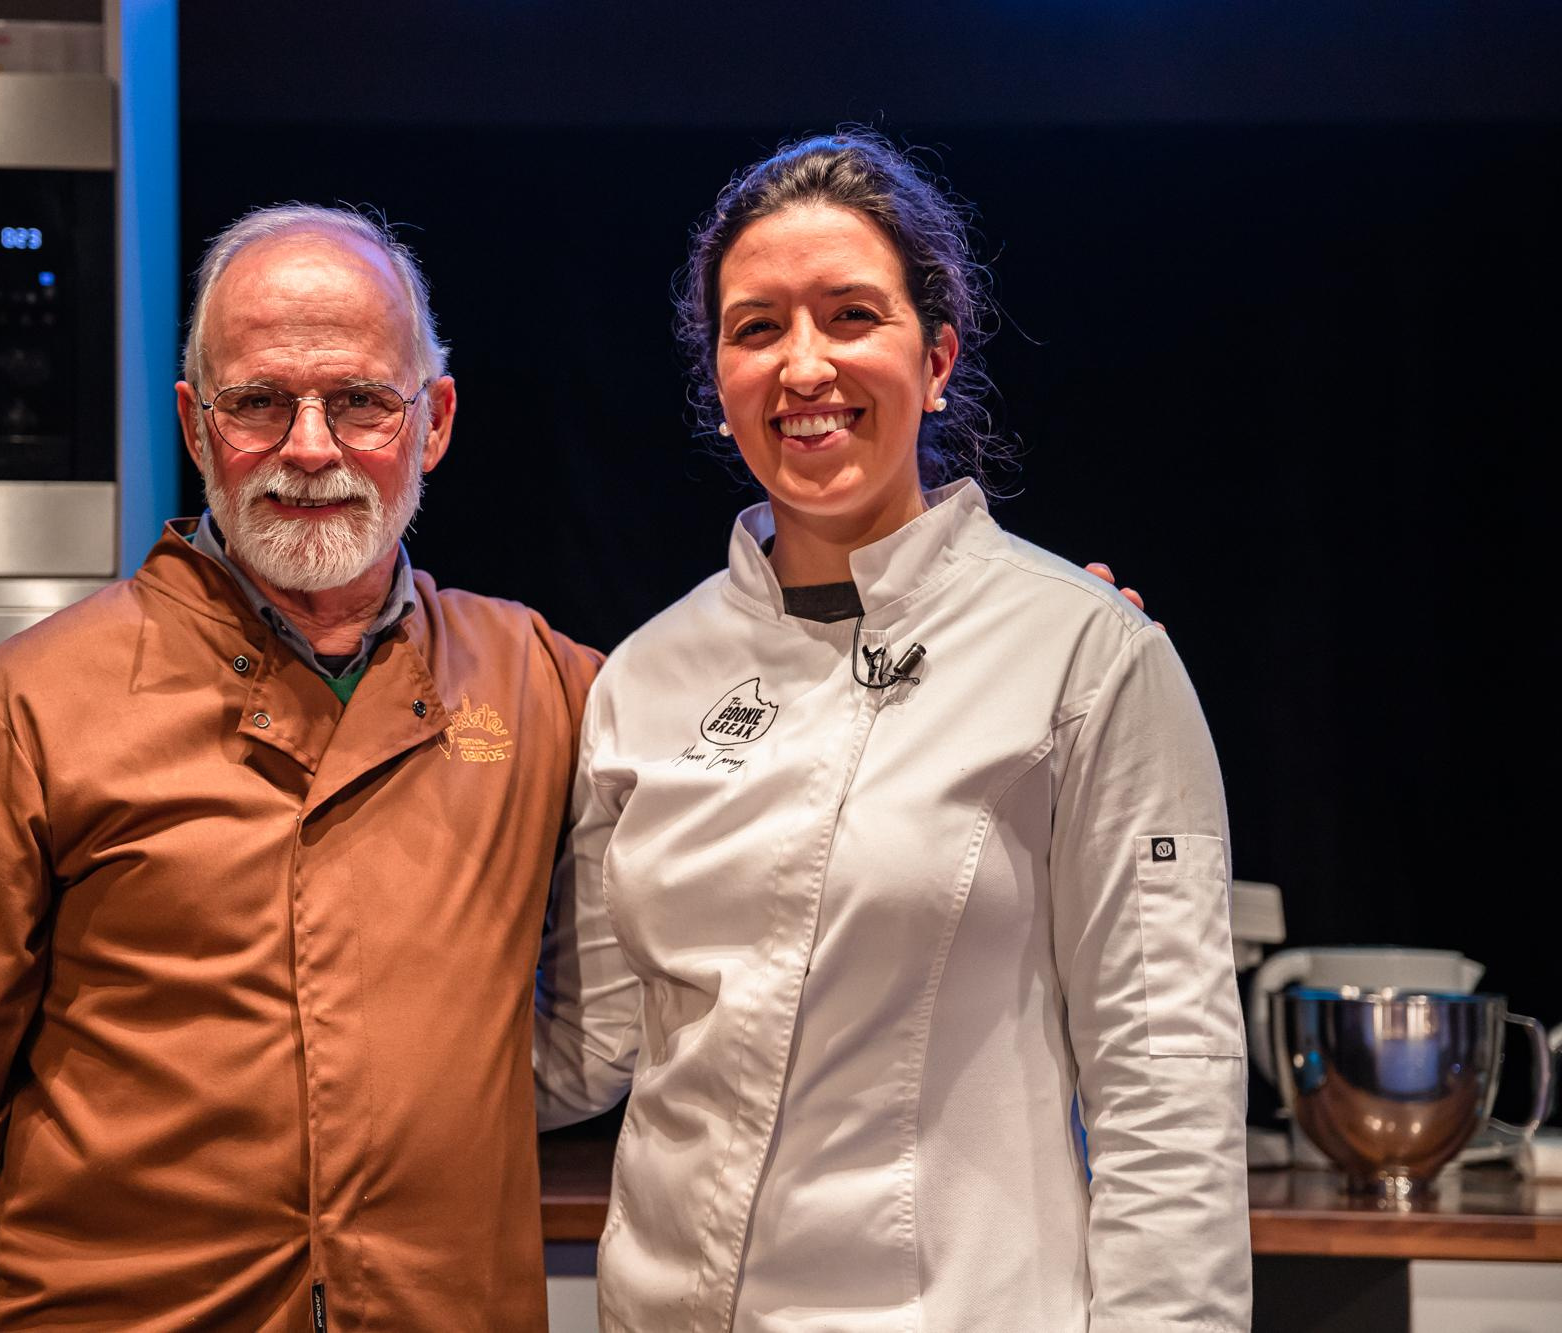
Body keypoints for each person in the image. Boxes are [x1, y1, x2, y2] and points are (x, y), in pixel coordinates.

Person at [0, 205, 601, 1331]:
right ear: (193, 422)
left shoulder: (534, 681)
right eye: (259, 403)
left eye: (361, 400)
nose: (309, 449)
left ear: (434, 423)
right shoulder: (29, 705)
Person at [534, 133, 1250, 1330]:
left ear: (936, 355)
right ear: (718, 378)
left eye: (849, 314)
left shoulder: (1084, 654)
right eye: (755, 328)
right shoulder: (647, 676)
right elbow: (593, 1040)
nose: (801, 365)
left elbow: (1163, 1079)